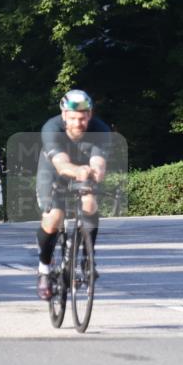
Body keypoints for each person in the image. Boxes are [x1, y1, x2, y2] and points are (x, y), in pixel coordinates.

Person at [35, 89, 111, 299]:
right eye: (74, 118)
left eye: (83, 118)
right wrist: (78, 171)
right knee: (54, 218)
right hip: (53, 173)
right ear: (64, 115)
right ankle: (43, 268)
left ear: (90, 115)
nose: (79, 123)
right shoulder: (51, 128)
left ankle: (88, 256)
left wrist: (95, 171)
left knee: (90, 203)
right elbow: (60, 164)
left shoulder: (101, 130)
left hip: (84, 172)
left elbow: (99, 162)